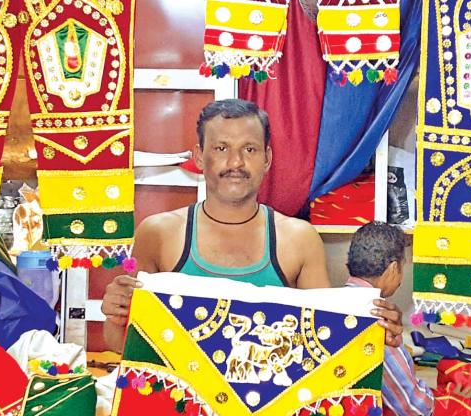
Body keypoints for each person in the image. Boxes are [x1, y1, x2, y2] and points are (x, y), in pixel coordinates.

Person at [102, 99, 404, 352]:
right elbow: (120, 343)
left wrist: (376, 334)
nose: (235, 162)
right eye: (221, 148)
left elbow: (324, 345)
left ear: (267, 158)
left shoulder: (298, 239)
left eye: (249, 149)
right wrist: (116, 314)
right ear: (198, 156)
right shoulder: (158, 233)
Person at [345, 221, 435, 416]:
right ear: (394, 268)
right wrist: (450, 402)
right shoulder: (376, 315)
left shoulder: (330, 303)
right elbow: (414, 408)